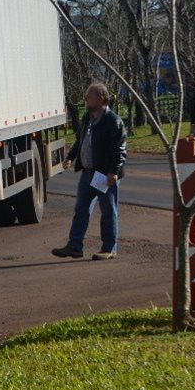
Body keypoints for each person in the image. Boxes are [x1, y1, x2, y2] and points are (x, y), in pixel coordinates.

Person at [52, 81, 127, 261]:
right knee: (81, 210)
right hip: (87, 173)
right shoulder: (87, 117)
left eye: (89, 95)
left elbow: (120, 149)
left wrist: (113, 172)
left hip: (104, 175)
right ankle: (74, 246)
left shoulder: (113, 121)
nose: (85, 98)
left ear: (100, 98)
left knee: (108, 211)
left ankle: (109, 248)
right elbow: (80, 141)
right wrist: (70, 157)